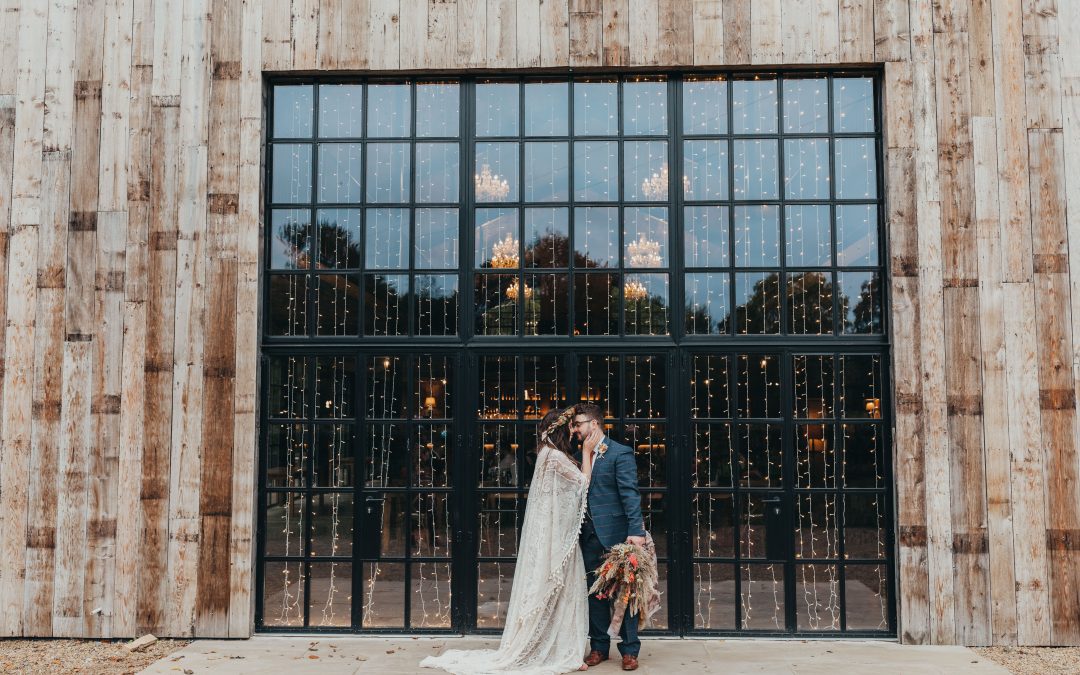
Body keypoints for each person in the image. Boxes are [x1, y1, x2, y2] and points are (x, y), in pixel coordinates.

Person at [421, 407, 591, 675]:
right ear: (560, 429)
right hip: (554, 536)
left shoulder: (549, 454)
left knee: (559, 589)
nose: (573, 431)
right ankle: (555, 649)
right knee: (557, 588)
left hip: (553, 533)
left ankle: (557, 645)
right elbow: (583, 483)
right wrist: (588, 453)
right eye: (570, 427)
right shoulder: (555, 456)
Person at [571, 403, 645, 672]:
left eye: (578, 424)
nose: (575, 429)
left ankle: (629, 650)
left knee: (625, 594)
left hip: (616, 535)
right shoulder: (578, 454)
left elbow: (630, 494)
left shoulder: (620, 453)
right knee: (595, 594)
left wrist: (635, 532)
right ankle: (599, 647)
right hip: (587, 536)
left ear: (594, 423)